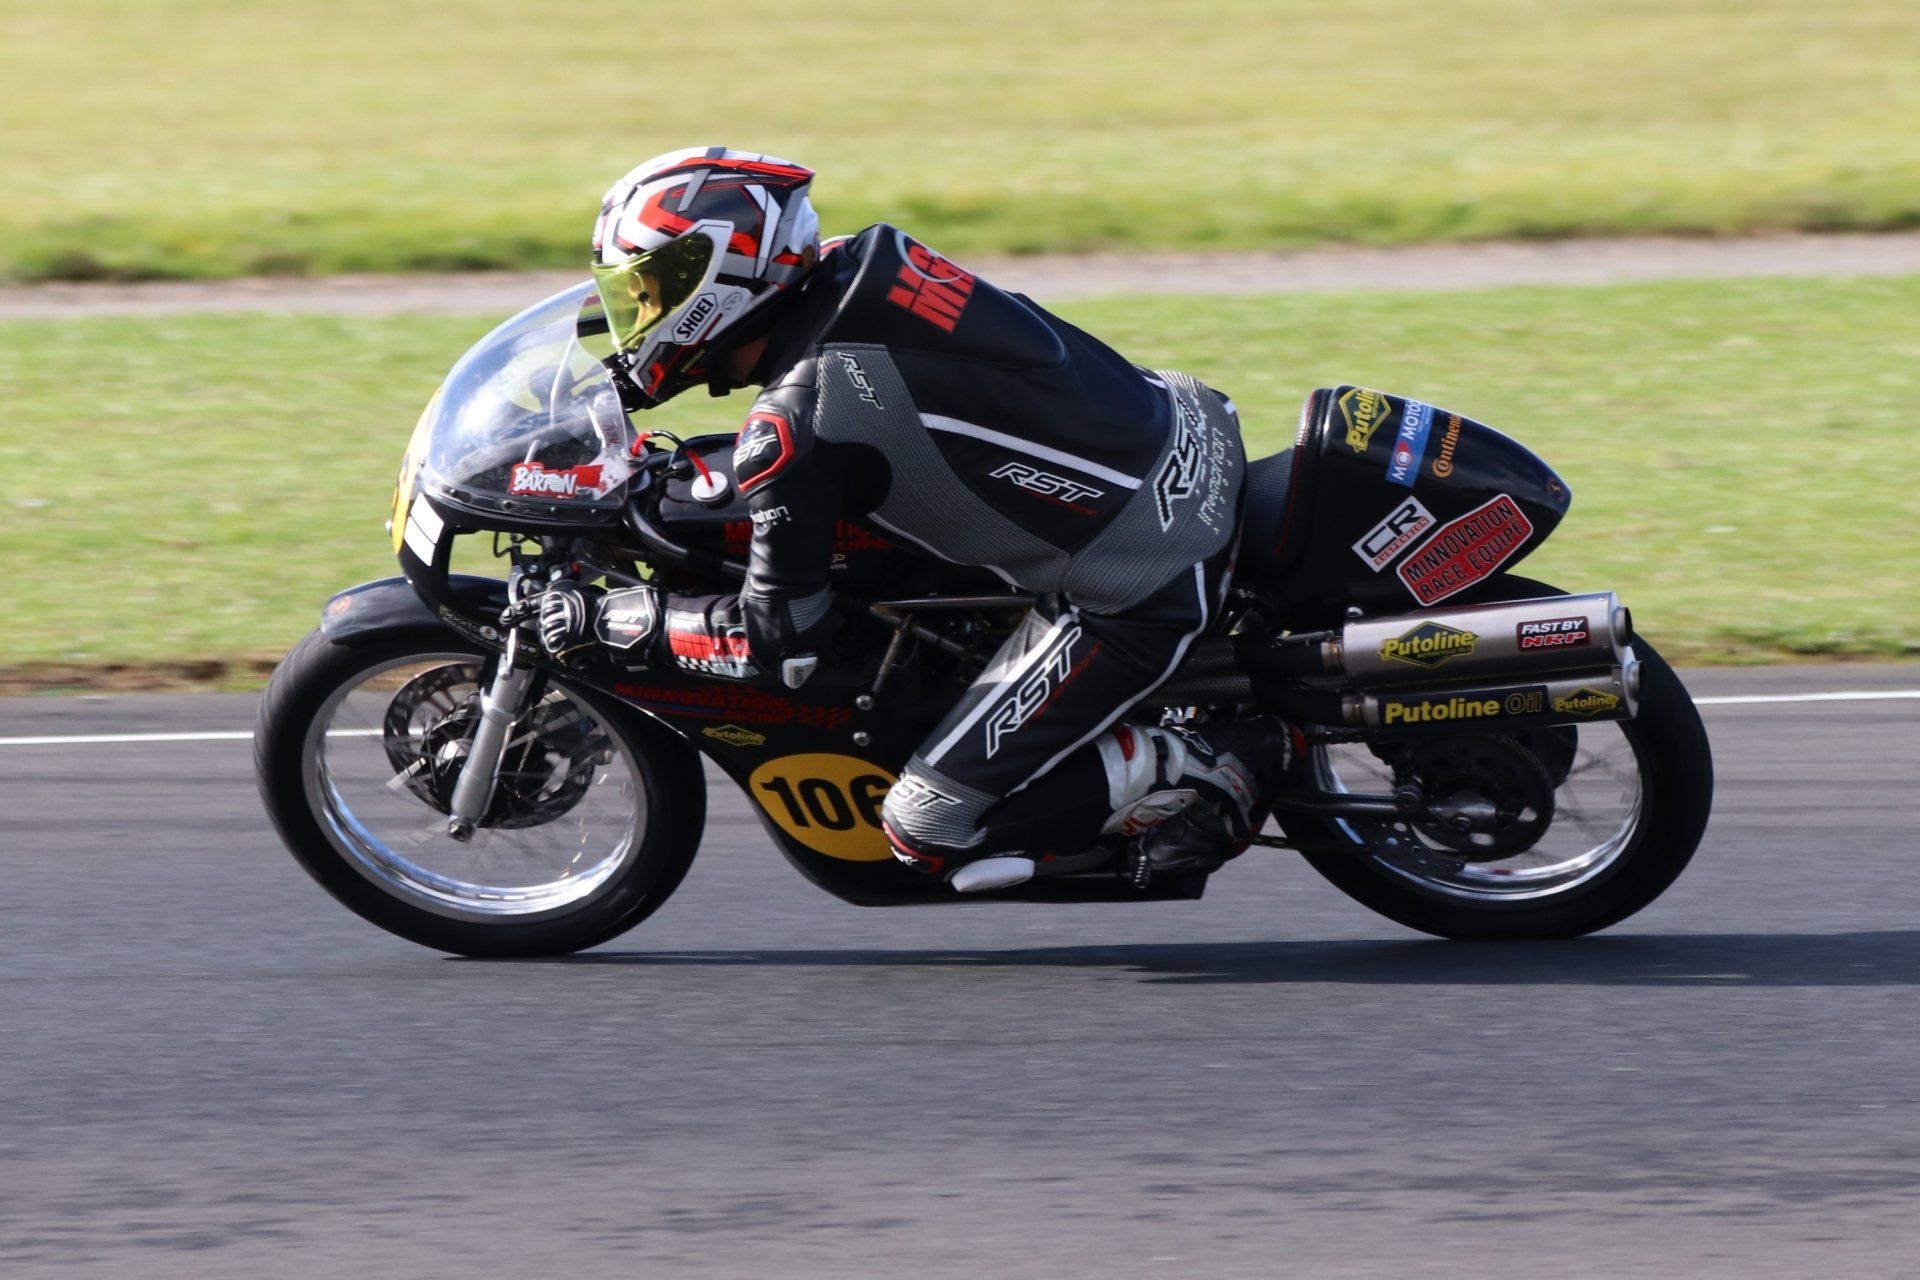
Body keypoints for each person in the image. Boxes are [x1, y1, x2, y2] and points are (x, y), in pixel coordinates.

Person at [538, 146, 1288, 892]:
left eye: (648, 291)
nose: (637, 317)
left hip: (1147, 566)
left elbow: (783, 647)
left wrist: (625, 621)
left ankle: (1211, 765)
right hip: (1186, 430)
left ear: (713, 278)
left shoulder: (796, 427)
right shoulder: (862, 261)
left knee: (924, 826)